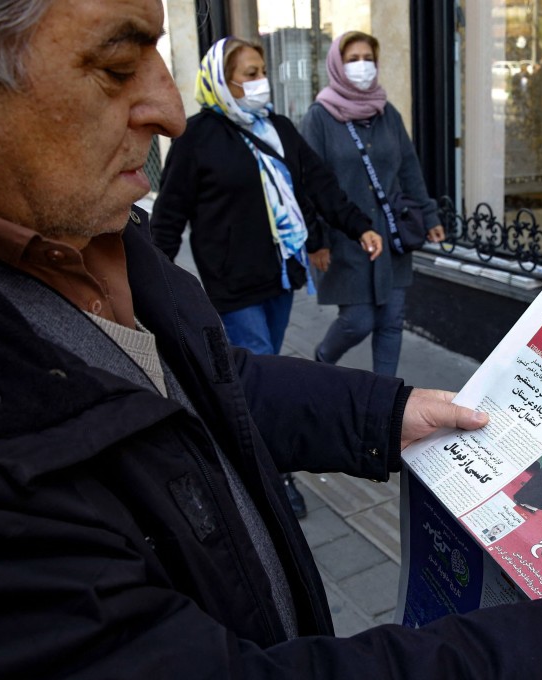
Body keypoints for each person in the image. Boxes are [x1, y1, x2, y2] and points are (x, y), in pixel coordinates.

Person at [0, 1, 542, 677]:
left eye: (159, 60)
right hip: (247, 281)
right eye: (115, 66)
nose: (167, 108)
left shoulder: (79, 230)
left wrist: (384, 414)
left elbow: (202, 388)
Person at [151, 37, 385, 518]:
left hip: (279, 277)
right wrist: (152, 279)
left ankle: (245, 439)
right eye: (249, 72)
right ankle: (273, 471)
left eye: (262, 70)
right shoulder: (197, 137)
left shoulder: (277, 128)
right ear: (221, 80)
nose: (260, 81)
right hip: (230, 283)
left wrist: (359, 225)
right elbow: (170, 214)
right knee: (257, 370)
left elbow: (318, 183)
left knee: (264, 366)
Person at [301, 31, 445, 377]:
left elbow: (409, 167)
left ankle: (385, 395)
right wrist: (316, 240)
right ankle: (321, 364)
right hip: (345, 236)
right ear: (337, 65)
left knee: (392, 320)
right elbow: (308, 184)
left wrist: (429, 215)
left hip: (392, 233)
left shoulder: (387, 113)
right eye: (353, 59)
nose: (362, 66)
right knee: (358, 320)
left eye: (368, 58)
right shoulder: (319, 117)